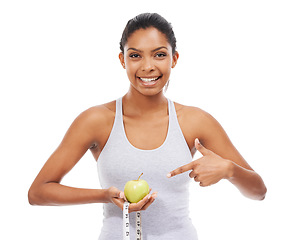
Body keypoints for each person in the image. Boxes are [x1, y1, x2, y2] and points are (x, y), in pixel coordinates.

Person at [28, 13, 267, 239]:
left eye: (159, 54)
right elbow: (38, 192)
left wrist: (230, 170)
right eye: (135, 55)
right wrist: (105, 196)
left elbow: (259, 191)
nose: (147, 66)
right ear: (122, 60)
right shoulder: (96, 120)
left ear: (174, 58)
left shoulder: (195, 121)